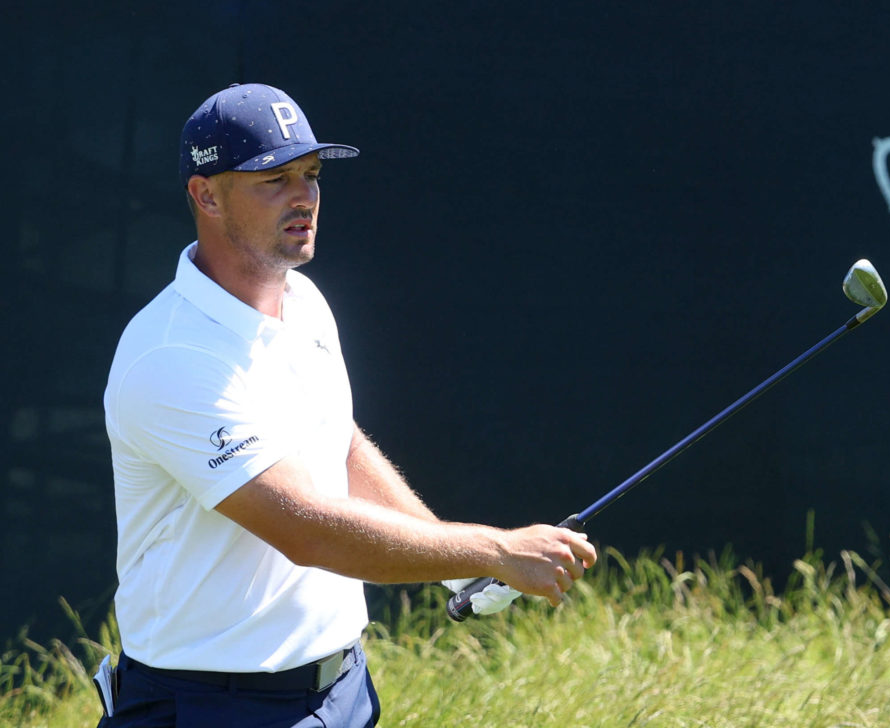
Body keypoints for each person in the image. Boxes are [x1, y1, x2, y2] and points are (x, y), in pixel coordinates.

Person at [100, 82, 597, 728]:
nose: (305, 195)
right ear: (206, 196)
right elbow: (305, 528)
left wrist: (453, 567)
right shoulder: (170, 356)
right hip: (207, 706)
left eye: (310, 175)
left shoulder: (304, 303)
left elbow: (338, 443)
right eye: (274, 179)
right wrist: (490, 550)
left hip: (342, 690)